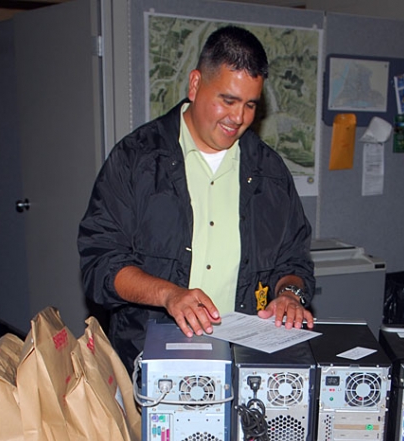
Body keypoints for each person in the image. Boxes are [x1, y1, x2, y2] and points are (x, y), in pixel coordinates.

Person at [78, 25, 314, 370]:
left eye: (250, 105)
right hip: (152, 360)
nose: (239, 118)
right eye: (228, 101)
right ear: (195, 84)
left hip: (242, 362)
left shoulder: (270, 171)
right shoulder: (136, 160)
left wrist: (289, 295)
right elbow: (100, 264)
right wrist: (168, 294)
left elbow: (293, 261)